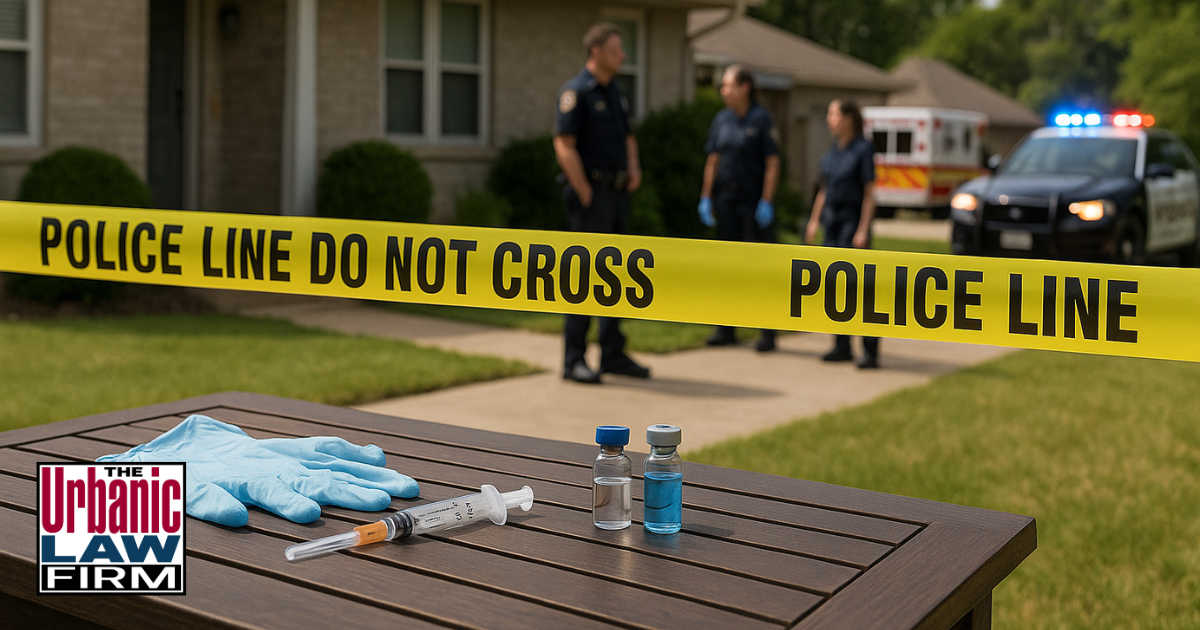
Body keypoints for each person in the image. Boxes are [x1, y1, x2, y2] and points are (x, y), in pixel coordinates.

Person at [553, 23, 651, 384]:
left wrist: (634, 168)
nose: (622, 55)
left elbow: (628, 136)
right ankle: (574, 358)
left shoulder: (615, 94)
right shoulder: (576, 92)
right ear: (595, 51)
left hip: (618, 194)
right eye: (616, 49)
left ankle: (612, 353)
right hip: (590, 195)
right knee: (584, 277)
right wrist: (585, 192)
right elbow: (564, 144)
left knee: (618, 276)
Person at [697, 65, 781, 352]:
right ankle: (726, 329)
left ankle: (767, 332)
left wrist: (767, 200)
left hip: (753, 203)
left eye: (728, 85)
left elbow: (772, 162)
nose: (723, 91)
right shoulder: (721, 120)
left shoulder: (762, 119)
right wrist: (706, 197)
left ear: (745, 87)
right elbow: (713, 160)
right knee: (727, 266)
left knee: (761, 269)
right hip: (726, 202)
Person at [805, 99, 881, 369]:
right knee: (835, 287)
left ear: (849, 118)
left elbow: (870, 194)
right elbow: (824, 190)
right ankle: (841, 345)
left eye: (834, 114)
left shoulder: (863, 150)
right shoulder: (832, 151)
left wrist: (862, 229)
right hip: (832, 223)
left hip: (852, 223)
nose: (829, 119)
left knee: (859, 287)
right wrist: (814, 221)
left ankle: (870, 350)